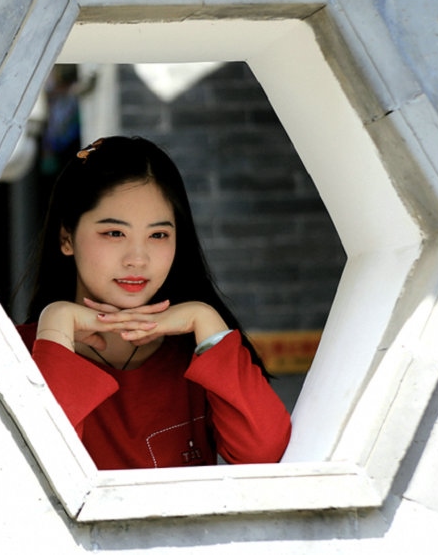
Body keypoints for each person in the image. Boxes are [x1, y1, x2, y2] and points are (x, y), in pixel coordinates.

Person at [17, 136, 291, 470]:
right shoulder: (10, 352)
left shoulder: (197, 354)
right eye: (114, 233)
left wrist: (205, 318)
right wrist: (56, 326)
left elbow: (264, 454)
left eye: (158, 235)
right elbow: (38, 471)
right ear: (67, 238)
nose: (138, 258)